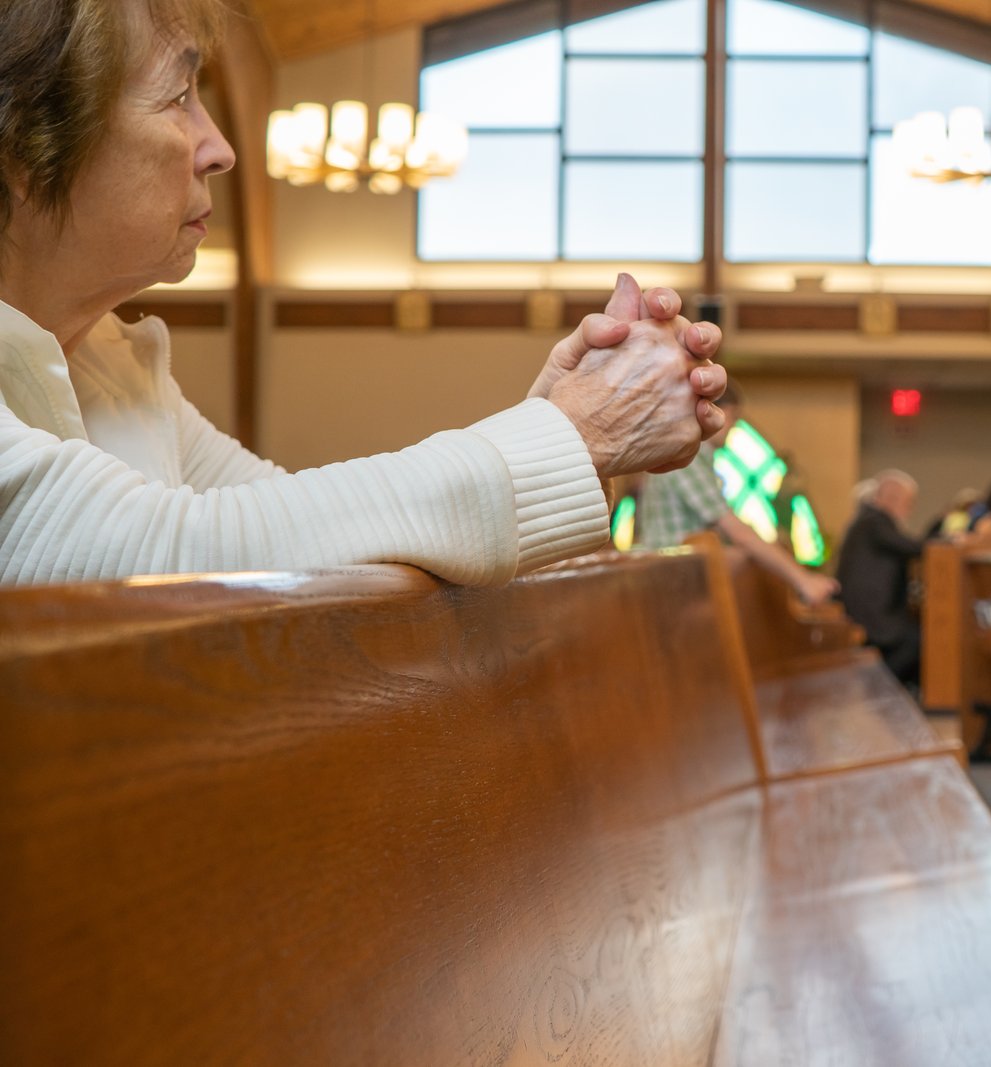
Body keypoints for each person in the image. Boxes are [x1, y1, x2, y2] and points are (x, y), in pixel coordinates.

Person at [0, 0, 728, 586]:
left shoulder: (113, 367)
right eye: (178, 96)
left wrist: (559, 422)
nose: (219, 146)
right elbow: (177, 552)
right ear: (25, 145)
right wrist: (576, 433)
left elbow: (319, 537)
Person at [635, 379, 837, 605]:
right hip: (672, 586)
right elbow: (735, 530)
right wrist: (802, 580)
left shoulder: (691, 454)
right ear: (718, 412)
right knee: (747, 561)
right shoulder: (687, 456)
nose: (733, 427)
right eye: (734, 417)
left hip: (677, 581)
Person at [835, 470, 923, 685]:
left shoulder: (868, 520)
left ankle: (882, 691)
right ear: (890, 498)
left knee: (916, 634)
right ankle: (876, 689)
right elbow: (911, 547)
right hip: (871, 614)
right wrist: (945, 542)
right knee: (920, 640)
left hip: (872, 609)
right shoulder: (875, 521)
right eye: (908, 502)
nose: (909, 509)